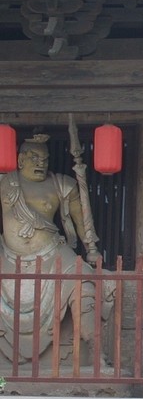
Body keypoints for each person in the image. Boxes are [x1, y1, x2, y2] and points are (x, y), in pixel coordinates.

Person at [0, 134, 111, 365]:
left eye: (45, 159)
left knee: (84, 283)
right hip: (9, 256)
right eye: (34, 157)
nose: (41, 163)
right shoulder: (5, 183)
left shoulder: (62, 185)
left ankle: (97, 352)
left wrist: (91, 247)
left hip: (52, 253)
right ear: (20, 160)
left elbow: (82, 221)